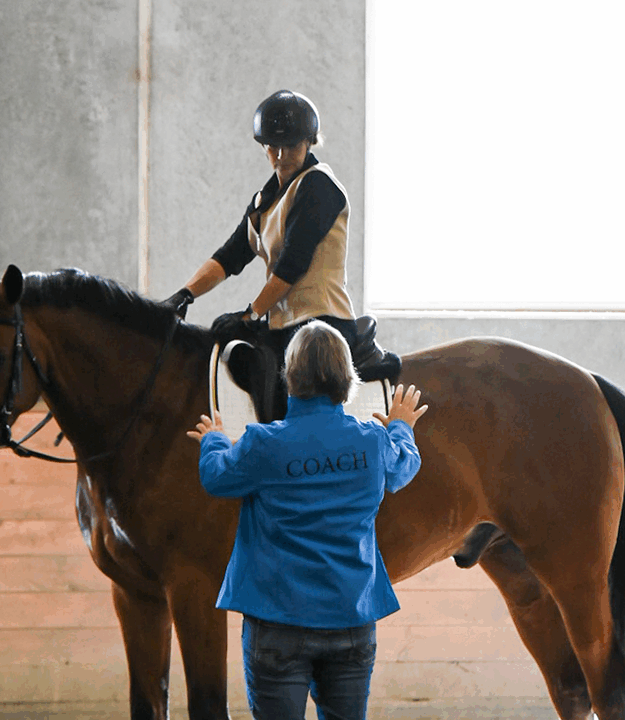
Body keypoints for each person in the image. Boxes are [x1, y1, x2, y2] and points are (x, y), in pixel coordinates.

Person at [187, 321, 428, 720]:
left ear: (290, 378)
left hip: (277, 624)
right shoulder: (372, 440)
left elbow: (216, 476)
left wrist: (213, 439)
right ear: (348, 379)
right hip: (351, 620)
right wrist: (401, 427)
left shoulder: (262, 443)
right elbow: (403, 468)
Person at [163, 89, 357, 360]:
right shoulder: (264, 202)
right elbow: (229, 257)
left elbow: (292, 264)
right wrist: (185, 294)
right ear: (263, 146)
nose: (282, 155)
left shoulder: (318, 186)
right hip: (284, 325)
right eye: (273, 147)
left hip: (324, 326)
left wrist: (251, 314)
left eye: (292, 146)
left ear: (309, 142)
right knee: (226, 348)